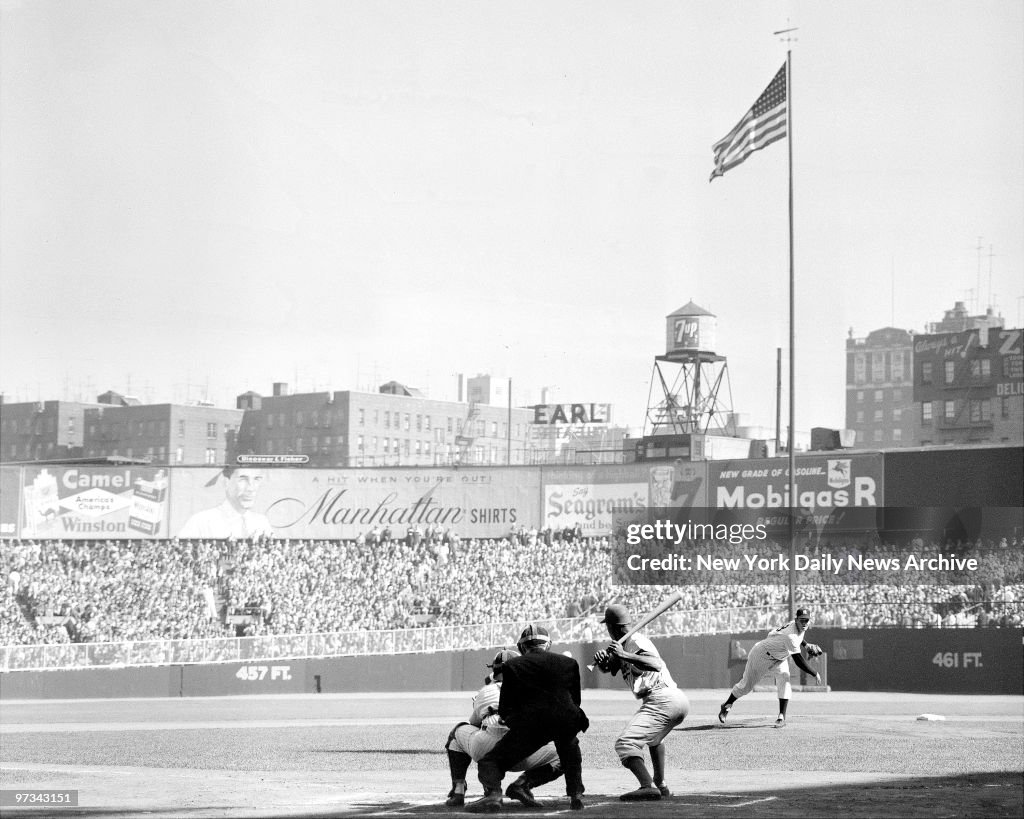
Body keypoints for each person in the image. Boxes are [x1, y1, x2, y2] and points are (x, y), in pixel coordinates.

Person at [466, 624, 588, 812]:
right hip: (566, 720)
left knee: (490, 761)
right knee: (570, 749)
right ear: (548, 644)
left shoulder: (513, 666)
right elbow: (575, 701)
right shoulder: (569, 663)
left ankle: (493, 795)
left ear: (522, 647)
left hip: (531, 725)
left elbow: (507, 708)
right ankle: (576, 795)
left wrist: (517, 728)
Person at [592, 604, 689, 801]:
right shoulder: (625, 643)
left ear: (612, 626)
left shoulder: (634, 640)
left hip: (662, 699)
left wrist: (623, 654)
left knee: (625, 743)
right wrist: (604, 662)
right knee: (654, 740)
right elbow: (611, 667)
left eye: (607, 626)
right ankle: (660, 784)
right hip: (674, 699)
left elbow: (655, 663)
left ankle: (647, 786)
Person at [444, 648, 563, 808]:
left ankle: (462, 791)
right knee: (564, 753)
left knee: (459, 732)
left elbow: (473, 723)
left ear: (495, 669)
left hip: (487, 752)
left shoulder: (485, 691)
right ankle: (522, 784)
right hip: (522, 752)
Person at [718, 607, 822, 728]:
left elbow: (799, 637)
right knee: (746, 686)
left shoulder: (798, 627)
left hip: (779, 658)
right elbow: (798, 661)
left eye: (807, 620)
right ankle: (727, 705)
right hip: (762, 655)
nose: (804, 623)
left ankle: (781, 716)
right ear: (796, 620)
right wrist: (814, 673)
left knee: (784, 678)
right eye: (802, 620)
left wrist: (806, 645)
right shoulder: (790, 635)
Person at [177, 467, 273, 539]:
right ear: (226, 483)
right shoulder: (201, 521)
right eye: (243, 479)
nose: (251, 488)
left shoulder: (262, 521)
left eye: (256, 479)